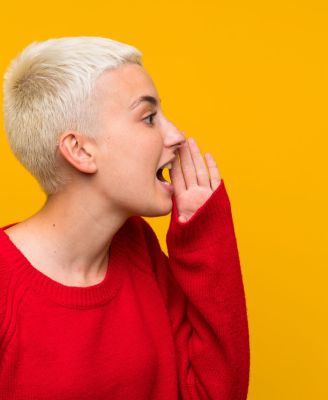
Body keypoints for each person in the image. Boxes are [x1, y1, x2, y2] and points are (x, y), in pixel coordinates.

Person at [0, 36, 250, 399]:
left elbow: (214, 393)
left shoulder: (140, 249)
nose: (176, 135)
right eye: (148, 118)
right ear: (81, 151)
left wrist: (202, 233)